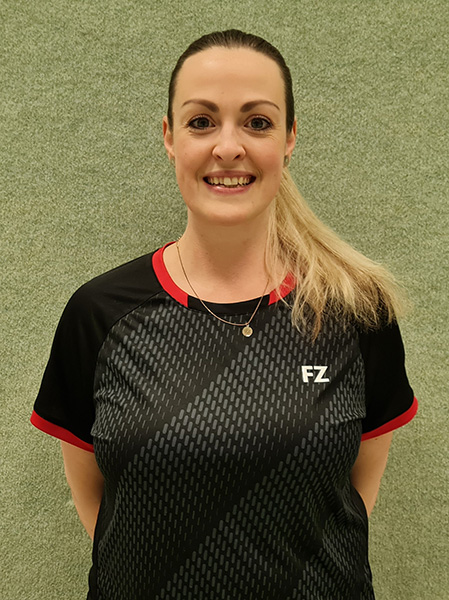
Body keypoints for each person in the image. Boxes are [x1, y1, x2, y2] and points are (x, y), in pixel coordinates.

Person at [31, 29, 418, 600]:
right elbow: (97, 500)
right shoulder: (99, 313)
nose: (228, 147)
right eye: (201, 121)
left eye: (257, 122)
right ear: (169, 137)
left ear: (289, 138)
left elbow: (355, 492)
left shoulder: (356, 310)